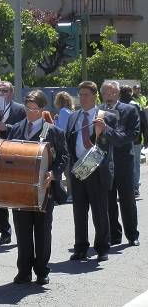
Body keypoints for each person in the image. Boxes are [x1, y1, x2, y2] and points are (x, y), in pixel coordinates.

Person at [8, 90, 68, 285]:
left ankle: (42, 270)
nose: (30, 112)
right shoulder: (16, 129)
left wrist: (54, 174)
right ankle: (23, 270)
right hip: (20, 189)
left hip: (44, 189)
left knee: (42, 231)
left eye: (35, 109)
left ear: (43, 110)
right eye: (28, 108)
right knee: (22, 231)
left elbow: (63, 157)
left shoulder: (52, 130)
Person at [66, 81, 114, 262]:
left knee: (100, 211)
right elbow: (68, 140)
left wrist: (104, 129)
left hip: (96, 168)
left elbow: (114, 140)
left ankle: (102, 248)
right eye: (81, 94)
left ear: (95, 96)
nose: (83, 98)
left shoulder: (106, 116)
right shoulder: (73, 116)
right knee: (79, 211)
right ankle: (80, 247)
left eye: (86, 94)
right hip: (78, 167)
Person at [99, 81, 140, 247]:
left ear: (118, 94)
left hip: (124, 162)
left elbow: (133, 134)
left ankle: (132, 235)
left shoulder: (129, 110)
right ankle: (114, 235)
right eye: (106, 93)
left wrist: (112, 134)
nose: (109, 96)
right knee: (108, 201)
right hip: (104, 162)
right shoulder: (98, 112)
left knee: (127, 200)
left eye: (112, 92)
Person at [0, 80, 26, 246]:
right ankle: (4, 231)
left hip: (14, 153)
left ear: (11, 93)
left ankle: (21, 230)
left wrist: (6, 126)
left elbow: (23, 128)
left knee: (16, 194)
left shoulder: (20, 109)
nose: (1, 94)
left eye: (4, 91)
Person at [119, 85, 148, 197]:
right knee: (135, 163)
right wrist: (145, 138)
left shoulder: (116, 105)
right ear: (131, 93)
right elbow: (144, 123)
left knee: (121, 163)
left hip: (119, 139)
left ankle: (124, 186)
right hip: (135, 139)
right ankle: (134, 187)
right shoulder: (135, 105)